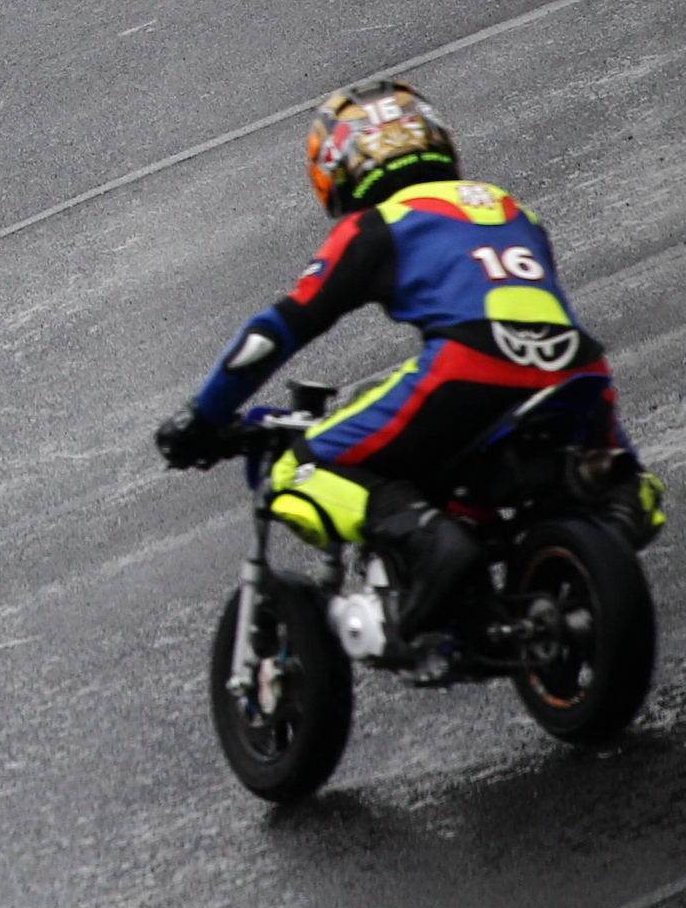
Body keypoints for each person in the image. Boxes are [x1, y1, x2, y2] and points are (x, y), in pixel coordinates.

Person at [157, 82, 657, 656]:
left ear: (339, 166)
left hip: (470, 367)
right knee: (629, 487)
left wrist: (203, 415)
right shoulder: (511, 209)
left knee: (299, 468)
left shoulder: (380, 225)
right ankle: (613, 502)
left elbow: (275, 332)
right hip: (578, 369)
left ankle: (431, 542)